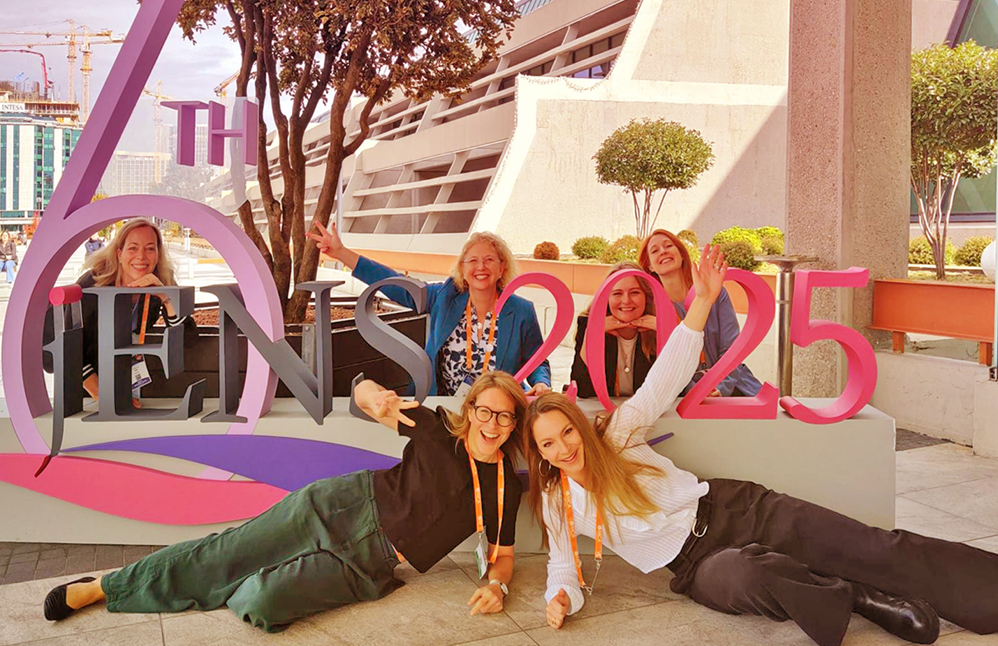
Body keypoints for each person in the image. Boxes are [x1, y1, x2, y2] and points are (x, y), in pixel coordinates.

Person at [524, 245, 998, 646]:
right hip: (696, 564)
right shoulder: (557, 501)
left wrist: (704, 301)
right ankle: (859, 597)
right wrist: (560, 598)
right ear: (540, 453)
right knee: (751, 578)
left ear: (579, 429)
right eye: (549, 444)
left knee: (873, 545)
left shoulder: (618, 435)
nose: (564, 447)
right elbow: (562, 567)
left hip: (738, 508)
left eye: (567, 432)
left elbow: (664, 379)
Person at [43, 371, 527, 632]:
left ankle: (230, 577)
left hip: (371, 563)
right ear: (471, 410)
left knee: (263, 601)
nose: (491, 424)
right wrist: (372, 394)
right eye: (484, 411)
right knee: (224, 554)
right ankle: (108, 586)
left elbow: (502, 558)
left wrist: (498, 588)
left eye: (504, 418)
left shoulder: (508, 484)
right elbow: (361, 389)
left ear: (513, 426)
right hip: (341, 505)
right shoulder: (438, 429)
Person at [309, 220, 550, 396]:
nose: (481, 267)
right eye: (473, 260)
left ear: (501, 267)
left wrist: (542, 384)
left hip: (497, 413)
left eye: (489, 260)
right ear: (463, 269)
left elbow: (537, 359)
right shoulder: (445, 297)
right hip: (443, 407)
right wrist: (342, 254)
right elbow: (397, 286)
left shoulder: (521, 311)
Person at [42, 219, 187, 402]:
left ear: (158, 254)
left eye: (150, 248)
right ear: (119, 253)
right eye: (133, 248)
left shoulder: (160, 282)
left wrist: (165, 297)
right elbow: (62, 345)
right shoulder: (93, 284)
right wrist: (101, 394)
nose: (141, 256)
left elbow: (189, 340)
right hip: (85, 388)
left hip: (125, 382)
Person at [639, 229, 761, 397]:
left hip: (733, 386)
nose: (663, 251)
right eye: (655, 250)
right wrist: (695, 391)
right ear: (649, 266)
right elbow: (663, 363)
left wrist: (720, 388)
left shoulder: (716, 293)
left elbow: (732, 349)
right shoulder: (649, 308)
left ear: (682, 255)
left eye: (668, 246)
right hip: (682, 396)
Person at [570, 261, 658, 398]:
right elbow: (582, 389)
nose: (626, 301)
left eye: (635, 292)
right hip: (604, 413)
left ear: (646, 296)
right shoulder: (587, 323)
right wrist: (592, 335)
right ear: (606, 298)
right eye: (617, 293)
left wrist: (669, 334)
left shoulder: (658, 326)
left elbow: (676, 389)